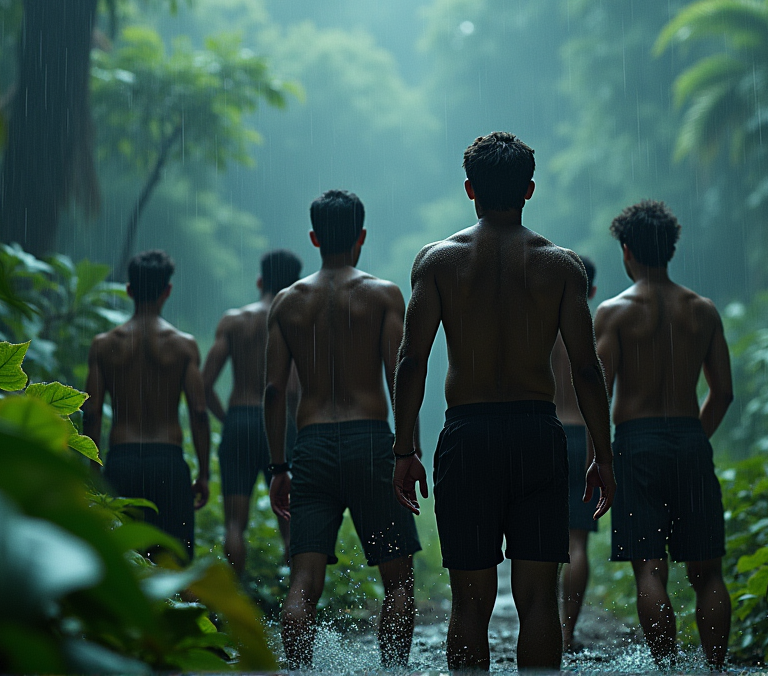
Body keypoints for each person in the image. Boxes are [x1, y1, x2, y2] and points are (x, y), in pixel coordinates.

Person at [391, 132, 616, 671]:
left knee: (470, 601)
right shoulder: (561, 267)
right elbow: (586, 368)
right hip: (538, 434)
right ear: (530, 190)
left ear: (470, 189)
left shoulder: (438, 262)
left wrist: (404, 450)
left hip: (467, 436)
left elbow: (411, 361)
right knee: (539, 598)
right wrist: (603, 456)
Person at [263, 190, 422, 669]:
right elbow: (403, 374)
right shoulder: (382, 294)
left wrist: (278, 465)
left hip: (311, 446)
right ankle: (393, 670)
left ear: (313, 238)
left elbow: (274, 392)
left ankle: (299, 670)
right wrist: (406, 450)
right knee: (397, 580)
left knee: (303, 581)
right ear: (362, 236)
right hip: (371, 441)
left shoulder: (287, 303)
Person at [595, 200, 734, 670]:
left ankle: (669, 668)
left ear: (627, 252)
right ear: (671, 249)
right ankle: (715, 668)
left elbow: (602, 391)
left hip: (637, 442)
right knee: (707, 570)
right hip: (689, 437)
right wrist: (696, 436)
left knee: (649, 568)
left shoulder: (613, 314)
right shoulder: (703, 310)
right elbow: (723, 392)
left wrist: (603, 456)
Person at [82, 250, 210, 556]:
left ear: (129, 290)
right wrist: (203, 473)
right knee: (173, 559)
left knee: (123, 558)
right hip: (168, 461)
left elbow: (92, 413)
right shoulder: (183, 345)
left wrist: (93, 471)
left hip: (122, 461)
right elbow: (199, 412)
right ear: (167, 291)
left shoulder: (104, 346)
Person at [201, 249, 303, 576]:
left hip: (240, 421)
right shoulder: (293, 321)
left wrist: (228, 419)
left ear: (260, 280)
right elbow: (293, 390)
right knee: (290, 522)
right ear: (294, 284)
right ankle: (298, 600)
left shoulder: (234, 321)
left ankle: (236, 611)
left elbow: (204, 386)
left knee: (234, 524)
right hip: (281, 426)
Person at [552, 254, 600, 653]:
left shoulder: (543, 330)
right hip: (584, 437)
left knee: (541, 541)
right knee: (577, 543)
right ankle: (568, 632)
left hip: (547, 433)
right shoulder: (599, 331)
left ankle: (542, 623)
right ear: (593, 291)